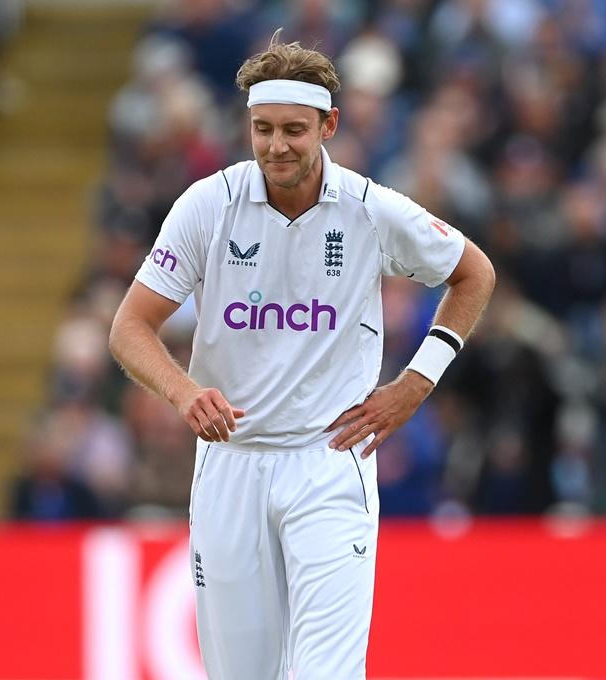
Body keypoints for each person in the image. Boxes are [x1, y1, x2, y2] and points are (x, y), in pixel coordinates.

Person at [108, 33, 495, 680]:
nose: (276, 146)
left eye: (293, 129)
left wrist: (416, 382)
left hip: (329, 462)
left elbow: (474, 272)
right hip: (232, 463)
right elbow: (130, 327)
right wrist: (182, 393)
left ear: (329, 125)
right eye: (262, 129)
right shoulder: (207, 206)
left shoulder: (370, 210)